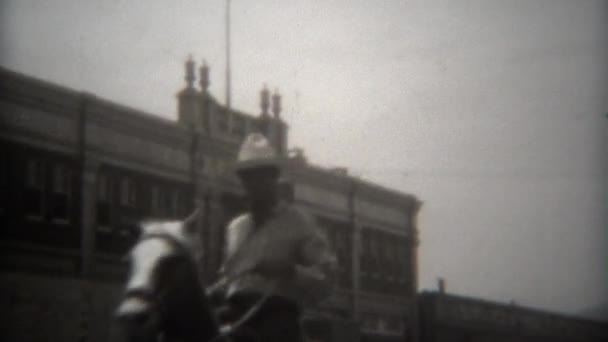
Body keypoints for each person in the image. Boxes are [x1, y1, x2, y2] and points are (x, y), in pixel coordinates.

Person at [218, 133, 336, 341]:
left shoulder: (299, 222)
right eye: (247, 177)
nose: (253, 185)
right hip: (234, 313)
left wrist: (290, 270)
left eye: (261, 176)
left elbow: (326, 280)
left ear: (273, 178)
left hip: (276, 317)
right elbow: (227, 279)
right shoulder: (235, 228)